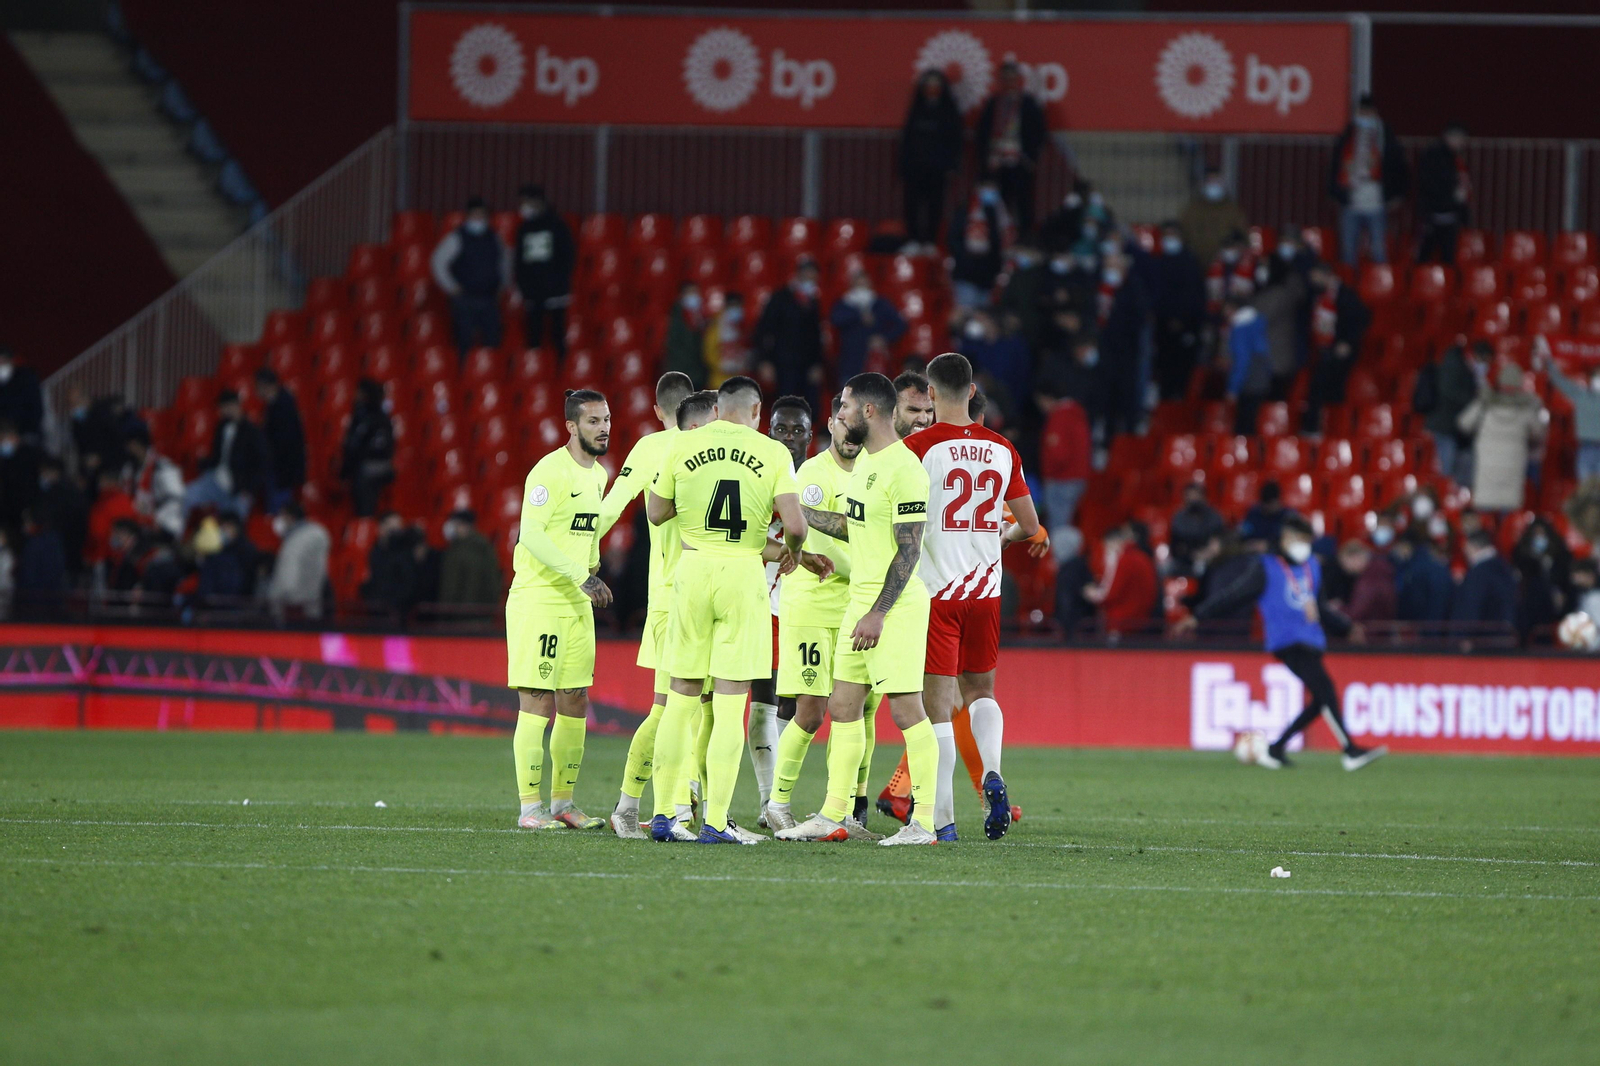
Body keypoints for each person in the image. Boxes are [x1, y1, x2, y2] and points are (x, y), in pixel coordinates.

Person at [778, 372, 941, 846]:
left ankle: (924, 823)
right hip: (859, 604)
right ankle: (834, 815)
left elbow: (907, 551)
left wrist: (879, 612)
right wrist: (799, 512)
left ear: (868, 411)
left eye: (845, 407)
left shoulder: (905, 469)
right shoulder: (868, 466)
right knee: (843, 706)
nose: (840, 415)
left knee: (908, 711)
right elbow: (856, 528)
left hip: (894, 609)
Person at [646, 376, 806, 845]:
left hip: (692, 570)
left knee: (681, 699)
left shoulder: (684, 444)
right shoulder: (773, 453)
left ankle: (664, 814)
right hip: (742, 575)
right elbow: (795, 524)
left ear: (717, 408)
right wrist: (791, 550)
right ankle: (716, 821)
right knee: (733, 703)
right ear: (757, 411)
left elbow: (656, 513)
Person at [903, 352, 1040, 840]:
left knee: (937, 706)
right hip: (986, 590)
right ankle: (992, 772)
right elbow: (1028, 525)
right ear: (973, 392)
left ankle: (943, 821)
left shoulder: (919, 447)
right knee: (982, 693)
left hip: (936, 590)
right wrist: (997, 541)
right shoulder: (1004, 449)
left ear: (933, 394)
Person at [1179, 514, 1385, 770]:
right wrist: (1199, 616)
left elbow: (1319, 607)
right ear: (1286, 539)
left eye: (1307, 541)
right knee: (1326, 690)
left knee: (1322, 698)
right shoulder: (1265, 567)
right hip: (1286, 641)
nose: (1305, 546)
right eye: (1300, 540)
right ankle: (1350, 751)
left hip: (1312, 640)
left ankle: (1276, 749)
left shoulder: (1312, 566)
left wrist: (1346, 627)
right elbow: (1234, 595)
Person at [768, 394, 877, 834]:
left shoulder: (874, 473)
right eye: (843, 426)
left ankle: (842, 811)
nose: (850, 436)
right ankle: (777, 802)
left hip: (858, 606)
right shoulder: (811, 475)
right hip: (813, 602)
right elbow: (823, 537)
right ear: (831, 424)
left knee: (855, 710)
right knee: (811, 712)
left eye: (857, 429)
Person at [595, 373, 697, 840]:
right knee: (684, 709)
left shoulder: (649, 449)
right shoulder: (714, 448)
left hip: (668, 598)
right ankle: (634, 805)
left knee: (678, 708)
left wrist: (581, 553)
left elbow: (611, 507)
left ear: (659, 411)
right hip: (706, 596)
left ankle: (680, 805)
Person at [507, 388, 613, 832]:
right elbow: (530, 534)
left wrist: (592, 568)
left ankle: (563, 803)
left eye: (607, 420)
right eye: (593, 421)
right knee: (537, 700)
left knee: (575, 700)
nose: (604, 428)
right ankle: (529, 808)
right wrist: (581, 575)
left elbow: (586, 535)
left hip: (575, 602)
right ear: (571, 426)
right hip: (539, 599)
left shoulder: (599, 476)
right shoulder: (548, 472)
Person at [750, 394, 816, 826]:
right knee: (764, 704)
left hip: (811, 609)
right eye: (781, 429)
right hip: (764, 607)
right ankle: (768, 803)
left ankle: (777, 800)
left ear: (812, 437)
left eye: (797, 431)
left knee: (799, 711)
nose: (789, 437)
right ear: (768, 431)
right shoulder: (760, 475)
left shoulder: (820, 476)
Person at [1328, 95, 1409, 267]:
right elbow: (1335, 167)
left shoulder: (1385, 136)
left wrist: (1396, 194)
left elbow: (1398, 167)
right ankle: (1348, 290)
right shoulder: (1348, 136)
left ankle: (1381, 288)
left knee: (1379, 252)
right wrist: (1336, 192)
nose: (1364, 115)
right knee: (1348, 253)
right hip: (1351, 203)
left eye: (1368, 112)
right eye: (1361, 111)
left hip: (1376, 204)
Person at [1458, 362, 1546, 512]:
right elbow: (1539, 433)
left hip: (1486, 466)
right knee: (1509, 521)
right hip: (1513, 467)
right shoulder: (1526, 409)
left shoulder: (1484, 404)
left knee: (1484, 513)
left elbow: (1464, 423)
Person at [430, 195, 511, 358]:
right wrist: (451, 287)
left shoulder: (494, 237)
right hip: (465, 298)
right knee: (464, 342)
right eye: (475, 215)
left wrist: (503, 285)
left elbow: (505, 262)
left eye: (482, 215)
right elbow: (438, 261)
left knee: (492, 341)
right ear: (467, 216)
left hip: (489, 297)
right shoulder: (456, 237)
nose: (478, 219)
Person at [974, 60, 1046, 237]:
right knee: (997, 203)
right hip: (996, 163)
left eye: (1012, 79)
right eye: (1005, 79)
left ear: (1019, 80)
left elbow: (1039, 132)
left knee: (1023, 202)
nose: (1009, 83)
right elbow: (982, 133)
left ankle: (1024, 238)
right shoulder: (993, 104)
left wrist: (1030, 158)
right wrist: (985, 159)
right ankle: (997, 238)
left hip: (1020, 161)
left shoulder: (1028, 103)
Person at [898, 69, 963, 254]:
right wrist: (904, 165)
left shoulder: (949, 111)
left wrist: (952, 166)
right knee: (912, 205)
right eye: (929, 85)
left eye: (936, 85)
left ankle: (930, 242)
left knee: (935, 206)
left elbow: (955, 141)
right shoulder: (916, 109)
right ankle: (913, 240)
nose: (932, 89)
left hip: (938, 170)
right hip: (915, 169)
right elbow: (907, 140)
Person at [1302, 264, 1372, 435]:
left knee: (1326, 390)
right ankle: (1325, 430)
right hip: (1322, 349)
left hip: (1339, 352)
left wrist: (1347, 342)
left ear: (1325, 275)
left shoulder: (1345, 294)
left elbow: (1362, 317)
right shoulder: (1317, 294)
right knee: (1322, 390)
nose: (1312, 281)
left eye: (1315, 277)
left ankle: (1323, 430)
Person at [512, 183, 575, 363]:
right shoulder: (523, 229)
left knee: (557, 335)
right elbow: (520, 261)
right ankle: (535, 372)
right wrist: (523, 286)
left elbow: (567, 257)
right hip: (532, 292)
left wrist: (557, 282)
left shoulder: (558, 226)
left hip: (555, 291)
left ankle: (561, 372)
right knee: (534, 337)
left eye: (526, 203)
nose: (523, 207)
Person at [183, 390, 268, 521]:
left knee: (233, 524)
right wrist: (203, 464)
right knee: (184, 497)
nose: (221, 412)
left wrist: (248, 489)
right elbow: (218, 456)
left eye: (223, 408)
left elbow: (261, 465)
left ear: (233, 406)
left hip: (239, 488)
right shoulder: (222, 426)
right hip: (216, 479)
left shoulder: (253, 433)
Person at [752, 259, 825, 410]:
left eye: (813, 278)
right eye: (807, 277)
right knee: (785, 407)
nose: (810, 281)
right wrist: (765, 361)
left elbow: (816, 335)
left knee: (810, 410)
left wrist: (817, 363)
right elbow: (764, 331)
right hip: (784, 364)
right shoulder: (780, 298)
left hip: (807, 365)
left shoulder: (813, 301)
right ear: (798, 275)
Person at [1098, 249, 1152, 442]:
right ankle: (1108, 439)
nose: (1109, 269)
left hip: (1127, 352)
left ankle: (1129, 440)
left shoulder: (1133, 287)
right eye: (1108, 265)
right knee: (1108, 399)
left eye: (1114, 265)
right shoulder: (1101, 286)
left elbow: (1139, 317)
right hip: (1105, 353)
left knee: (1127, 397)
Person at [1152, 221, 1207, 401]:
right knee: (1164, 375)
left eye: (1173, 235)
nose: (1169, 240)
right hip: (1163, 329)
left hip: (1187, 328)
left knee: (1184, 376)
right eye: (1166, 236)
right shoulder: (1159, 262)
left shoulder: (1190, 263)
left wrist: (1182, 320)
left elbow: (1195, 297)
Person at [1535, 337, 1600, 483]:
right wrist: (1549, 363)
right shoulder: (1581, 395)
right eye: (1597, 375)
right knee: (1586, 494)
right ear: (1591, 378)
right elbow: (1560, 381)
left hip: (1588, 449)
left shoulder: (1581, 395)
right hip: (1586, 448)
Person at [1422, 341, 1488, 485]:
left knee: (1453, 467)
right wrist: (1471, 398)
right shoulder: (1453, 365)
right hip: (1444, 424)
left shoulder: (1462, 366)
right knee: (1447, 469)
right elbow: (1449, 391)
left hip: (1453, 425)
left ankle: (1451, 497)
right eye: (1483, 360)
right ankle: (1446, 498)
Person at [830, 269, 906, 381]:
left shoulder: (880, 303)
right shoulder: (844, 303)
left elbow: (901, 325)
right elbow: (836, 319)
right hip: (850, 362)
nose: (861, 288)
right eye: (858, 284)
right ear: (851, 285)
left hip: (874, 363)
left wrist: (884, 338)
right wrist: (858, 316)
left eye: (864, 284)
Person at [1084, 523, 1157, 636]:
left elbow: (1110, 593)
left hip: (1119, 623)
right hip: (1142, 621)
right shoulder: (1144, 558)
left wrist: (1091, 593)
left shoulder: (1123, 560)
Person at [951, 181, 1011, 311]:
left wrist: (995, 267)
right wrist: (965, 258)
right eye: (988, 190)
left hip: (987, 277)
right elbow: (954, 238)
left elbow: (997, 243)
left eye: (994, 191)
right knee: (966, 316)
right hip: (966, 273)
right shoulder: (965, 211)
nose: (991, 194)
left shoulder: (996, 213)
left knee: (983, 317)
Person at [266, 500, 330, 621]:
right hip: (311, 606)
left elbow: (288, 578)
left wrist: (275, 604)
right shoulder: (313, 535)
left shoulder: (296, 541)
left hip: (294, 609)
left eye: (282, 516)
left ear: (290, 517)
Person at [1416, 124, 1471, 265]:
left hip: (1448, 214)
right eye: (1461, 139)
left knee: (1447, 257)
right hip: (1435, 213)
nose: (1463, 143)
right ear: (1450, 137)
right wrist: (1453, 195)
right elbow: (1432, 185)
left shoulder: (1454, 159)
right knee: (1427, 255)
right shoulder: (1435, 157)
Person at [340, 380, 394, 518]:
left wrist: (345, 470)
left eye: (358, 392)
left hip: (367, 470)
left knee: (365, 512)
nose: (355, 395)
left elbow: (354, 447)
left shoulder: (367, 417)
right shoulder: (381, 416)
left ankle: (366, 530)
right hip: (379, 467)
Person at [253, 368, 305, 511]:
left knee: (279, 512)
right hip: (275, 469)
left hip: (282, 471)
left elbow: (286, 443)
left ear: (266, 385)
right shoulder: (272, 405)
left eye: (258, 386)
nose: (256, 390)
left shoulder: (284, 405)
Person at [1038, 388, 1091, 528]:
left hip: (1061, 480)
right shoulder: (1077, 413)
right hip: (1078, 478)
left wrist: (1050, 474)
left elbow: (1059, 454)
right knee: (1068, 523)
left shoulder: (1059, 417)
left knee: (1059, 526)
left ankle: (1061, 551)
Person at [1451, 528, 1518, 636]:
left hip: (1482, 643)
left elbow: (1471, 609)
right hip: (1505, 638)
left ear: (1472, 546)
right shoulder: (1505, 568)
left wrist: (1464, 637)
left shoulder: (1478, 574)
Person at [1179, 167, 1249, 268]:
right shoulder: (1192, 210)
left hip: (1224, 267)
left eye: (1216, 181)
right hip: (1196, 264)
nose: (1213, 185)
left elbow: (1243, 238)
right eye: (1210, 181)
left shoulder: (1233, 211)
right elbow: (1183, 234)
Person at [123, 427, 183, 539]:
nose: (128, 449)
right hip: (139, 524)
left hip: (163, 527)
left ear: (137, 445)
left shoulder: (163, 467)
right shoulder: (129, 469)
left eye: (130, 445)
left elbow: (176, 499)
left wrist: (156, 518)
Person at [33, 456, 88, 578]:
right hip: (72, 546)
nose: (42, 476)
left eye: (44, 472)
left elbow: (50, 517)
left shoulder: (59, 493)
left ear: (54, 472)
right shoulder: (72, 490)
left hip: (62, 545)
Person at [1225, 300, 1272, 436]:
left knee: (1243, 426)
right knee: (1252, 422)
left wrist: (1233, 388)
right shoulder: (1258, 324)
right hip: (1261, 379)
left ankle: (1242, 454)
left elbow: (1242, 360)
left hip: (1249, 380)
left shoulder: (1240, 329)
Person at [439, 509, 503, 605]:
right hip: (481, 611)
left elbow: (451, 585)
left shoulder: (460, 550)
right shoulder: (484, 546)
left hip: (462, 613)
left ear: (464, 526)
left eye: (456, 524)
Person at [196, 511, 260, 602]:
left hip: (239, 605)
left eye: (227, 527)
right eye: (222, 527)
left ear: (236, 528)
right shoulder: (217, 551)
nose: (223, 530)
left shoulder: (247, 551)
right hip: (215, 605)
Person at [1394, 531, 1454, 624]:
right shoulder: (1435, 565)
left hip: (1422, 624)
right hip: (1440, 621)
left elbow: (1415, 600)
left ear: (1406, 546)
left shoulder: (1415, 569)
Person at [1332, 540, 1397, 623]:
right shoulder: (1381, 570)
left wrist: (1338, 609)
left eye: (1345, 563)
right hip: (1382, 626)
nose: (1346, 569)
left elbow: (1356, 613)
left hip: (1372, 630)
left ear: (1355, 557)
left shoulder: (1369, 578)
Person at [1169, 481, 1226, 575]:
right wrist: (1193, 555)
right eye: (1189, 496)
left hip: (1210, 560)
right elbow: (1176, 547)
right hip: (1186, 561)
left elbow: (1218, 542)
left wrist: (1208, 552)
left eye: (1196, 495)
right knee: (1165, 569)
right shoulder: (1179, 519)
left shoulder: (1214, 517)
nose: (1192, 499)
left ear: (1203, 497)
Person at [0, 418, 43, 537]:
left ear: (13, 436)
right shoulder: (5, 459)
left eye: (2, 439)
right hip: (8, 512)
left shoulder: (30, 455)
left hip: (27, 511)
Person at [663, 282, 707, 388]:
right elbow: (675, 347)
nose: (694, 296)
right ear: (682, 296)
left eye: (695, 292)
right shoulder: (675, 318)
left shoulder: (700, 317)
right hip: (682, 375)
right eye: (690, 293)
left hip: (698, 374)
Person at [702, 291, 749, 388]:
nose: (736, 309)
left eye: (738, 306)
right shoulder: (716, 326)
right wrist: (721, 366)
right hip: (720, 381)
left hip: (739, 381)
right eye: (733, 306)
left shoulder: (742, 326)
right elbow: (708, 352)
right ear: (726, 306)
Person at [0, 347, 44, 442]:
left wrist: (24, 433)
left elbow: (35, 408)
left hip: (26, 435)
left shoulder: (26, 378)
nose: (1, 365)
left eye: (3, 361)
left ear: (11, 361)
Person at [1240, 480, 1288, 549]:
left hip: (1277, 555)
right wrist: (1248, 544)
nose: (1269, 507)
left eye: (1272, 503)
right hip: (1252, 554)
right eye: (1266, 504)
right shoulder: (1253, 514)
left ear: (1278, 501)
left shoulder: (1288, 517)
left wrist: (1269, 545)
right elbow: (1243, 534)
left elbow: (1293, 543)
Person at [892, 370, 934, 439]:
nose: (923, 420)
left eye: (928, 411)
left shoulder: (939, 448)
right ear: (893, 411)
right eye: (914, 410)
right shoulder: (872, 448)